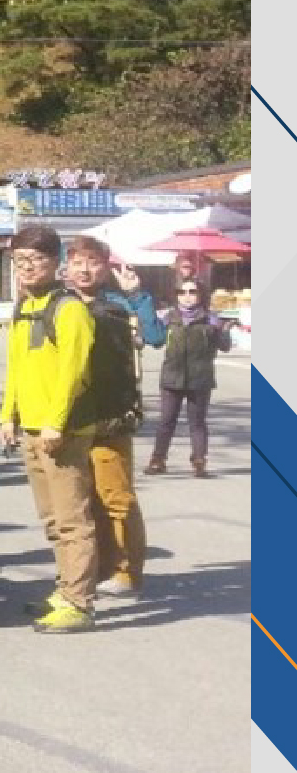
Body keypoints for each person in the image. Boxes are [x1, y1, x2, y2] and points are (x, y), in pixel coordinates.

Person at [0, 225, 102, 633]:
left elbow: (72, 373)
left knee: (73, 519)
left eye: (36, 259)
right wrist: (7, 415)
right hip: (32, 427)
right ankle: (65, 589)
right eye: (20, 260)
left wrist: (55, 423)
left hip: (62, 430)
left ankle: (79, 602)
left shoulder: (69, 309)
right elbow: (16, 366)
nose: (27, 267)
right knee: (52, 518)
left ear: (56, 263)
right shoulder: (26, 306)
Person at [63, 236, 165, 598]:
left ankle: (126, 571)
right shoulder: (60, 303)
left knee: (115, 495)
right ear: (66, 268)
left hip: (111, 414)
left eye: (93, 262)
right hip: (68, 415)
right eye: (78, 262)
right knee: (81, 499)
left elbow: (156, 336)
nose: (85, 269)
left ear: (106, 268)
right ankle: (94, 568)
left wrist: (138, 296)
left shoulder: (121, 305)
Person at [149, 279, 232, 479]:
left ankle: (199, 461)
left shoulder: (210, 319)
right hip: (172, 378)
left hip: (200, 379)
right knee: (166, 421)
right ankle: (158, 460)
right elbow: (156, 341)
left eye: (192, 292)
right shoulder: (169, 317)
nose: (186, 296)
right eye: (182, 292)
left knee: (197, 423)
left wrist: (223, 330)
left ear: (201, 294)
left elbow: (224, 346)